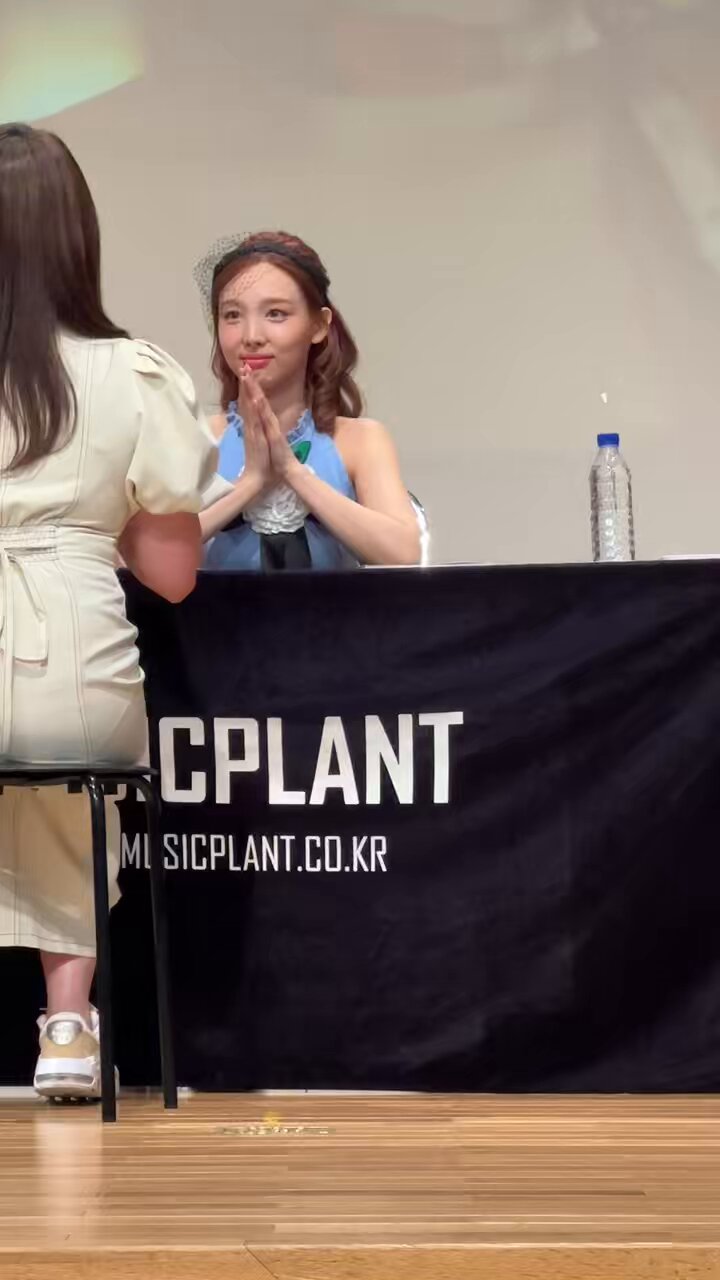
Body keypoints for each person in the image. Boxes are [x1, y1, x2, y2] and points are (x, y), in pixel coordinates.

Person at [0, 124, 217, 1100]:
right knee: (64, 783)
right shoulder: (131, 374)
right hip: (76, 655)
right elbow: (171, 575)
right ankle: (68, 1024)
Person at [194, 231, 421, 569]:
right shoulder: (197, 438)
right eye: (232, 315)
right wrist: (249, 485)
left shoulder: (360, 440)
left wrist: (292, 472)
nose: (251, 336)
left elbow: (404, 554)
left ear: (319, 325)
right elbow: (144, 558)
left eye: (276, 313)